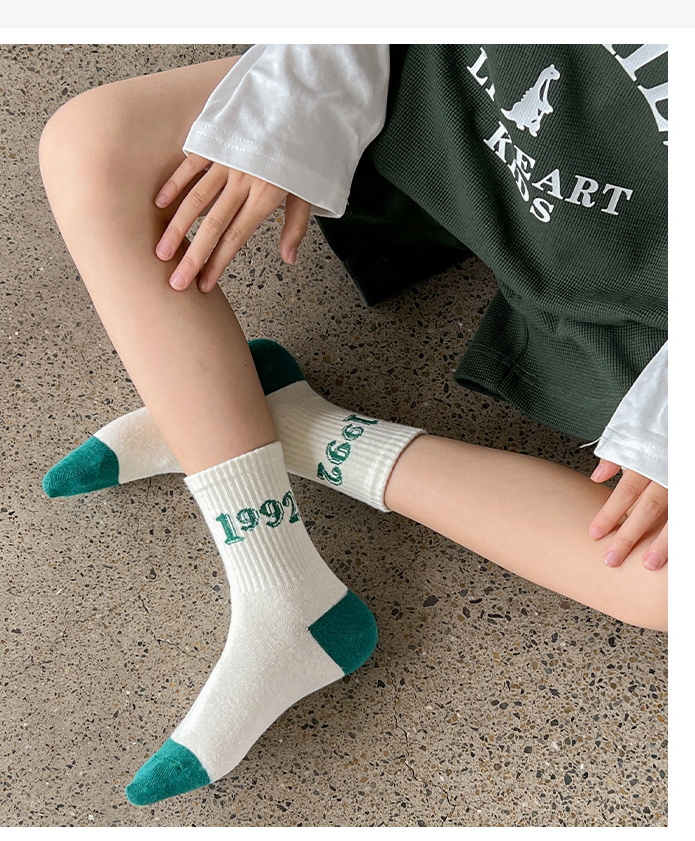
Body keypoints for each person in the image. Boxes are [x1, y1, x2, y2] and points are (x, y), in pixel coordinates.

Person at [38, 44, 667, 807]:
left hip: (649, 271)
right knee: (92, 143)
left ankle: (283, 425)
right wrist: (305, 79)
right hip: (452, 105)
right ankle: (273, 570)